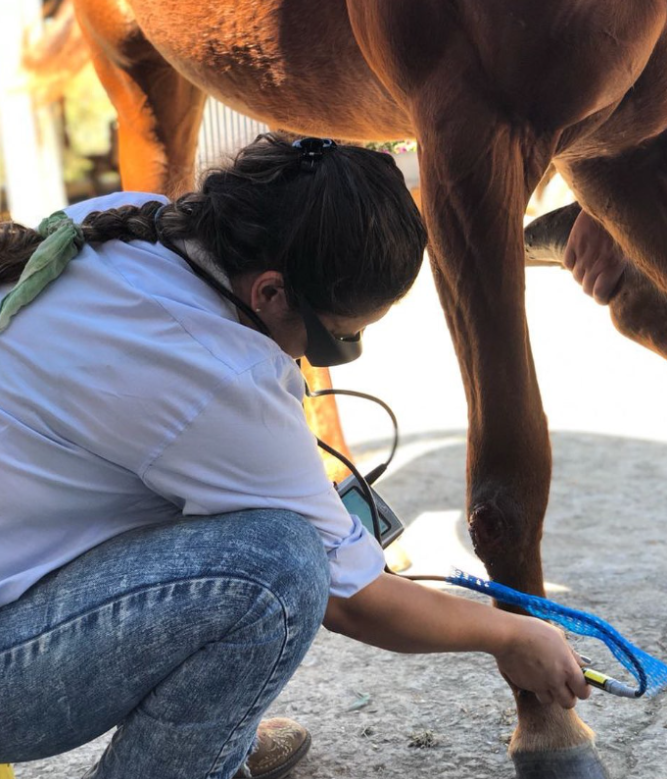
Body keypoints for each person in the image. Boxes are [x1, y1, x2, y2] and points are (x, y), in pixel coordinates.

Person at [0, 134, 590, 779]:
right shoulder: (221, 378)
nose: (321, 355)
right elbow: (356, 600)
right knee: (277, 568)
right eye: (338, 339)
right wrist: (513, 635)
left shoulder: (129, 220)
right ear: (270, 293)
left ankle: (209, 737)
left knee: (221, 513)